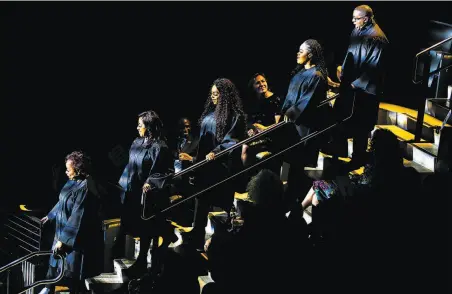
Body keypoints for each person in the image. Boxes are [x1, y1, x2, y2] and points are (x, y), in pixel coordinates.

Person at [183, 78, 247, 250]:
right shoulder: (209, 115)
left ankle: (222, 238)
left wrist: (216, 152)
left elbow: (231, 140)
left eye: (216, 94)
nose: (213, 97)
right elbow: (202, 141)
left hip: (224, 165)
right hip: (206, 164)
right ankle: (197, 233)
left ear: (225, 95)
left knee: (223, 202)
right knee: (201, 198)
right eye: (211, 94)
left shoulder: (235, 116)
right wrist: (194, 160)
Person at [114, 110, 175, 279]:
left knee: (148, 229)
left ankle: (143, 262)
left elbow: (166, 171)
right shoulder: (136, 142)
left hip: (150, 197)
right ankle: (141, 261)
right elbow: (131, 165)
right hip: (133, 193)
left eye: (140, 125)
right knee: (138, 227)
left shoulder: (160, 147)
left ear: (148, 126)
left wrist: (150, 182)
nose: (137, 128)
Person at [40, 151, 104, 294]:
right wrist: (50, 215)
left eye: (69, 169)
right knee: (54, 266)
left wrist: (64, 241)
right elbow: (62, 200)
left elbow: (77, 215)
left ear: (79, 170)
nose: (66, 172)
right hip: (61, 232)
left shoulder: (85, 187)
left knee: (72, 273)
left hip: (74, 240)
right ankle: (47, 289)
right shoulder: (72, 181)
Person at [280, 39, 331, 213]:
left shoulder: (316, 76)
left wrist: (290, 113)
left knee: (300, 169)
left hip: (306, 128)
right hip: (293, 127)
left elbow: (306, 102)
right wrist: (283, 113)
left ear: (310, 54)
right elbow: (289, 97)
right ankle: (291, 204)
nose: (297, 53)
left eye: (301, 51)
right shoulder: (299, 73)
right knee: (292, 167)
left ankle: (297, 207)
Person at [337, 4, 389, 168]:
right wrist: (343, 70)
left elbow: (374, 67)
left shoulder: (377, 38)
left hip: (367, 90)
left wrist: (355, 83)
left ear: (366, 19)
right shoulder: (358, 30)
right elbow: (351, 52)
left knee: (362, 125)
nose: (353, 21)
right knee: (346, 120)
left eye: (356, 18)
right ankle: (344, 154)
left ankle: (358, 159)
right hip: (353, 86)